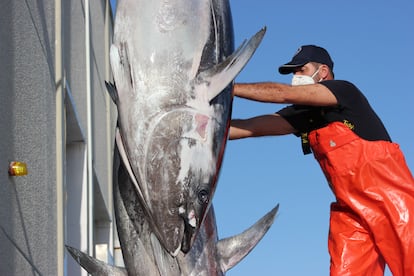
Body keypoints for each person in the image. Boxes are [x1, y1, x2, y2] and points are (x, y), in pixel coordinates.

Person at [229, 45, 414, 276]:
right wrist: (199, 126)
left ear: (323, 71)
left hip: (391, 200)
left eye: (301, 70)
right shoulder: (305, 116)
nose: (296, 77)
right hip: (350, 212)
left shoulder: (344, 91)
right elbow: (250, 128)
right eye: (293, 73)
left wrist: (228, 88)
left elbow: (283, 93)